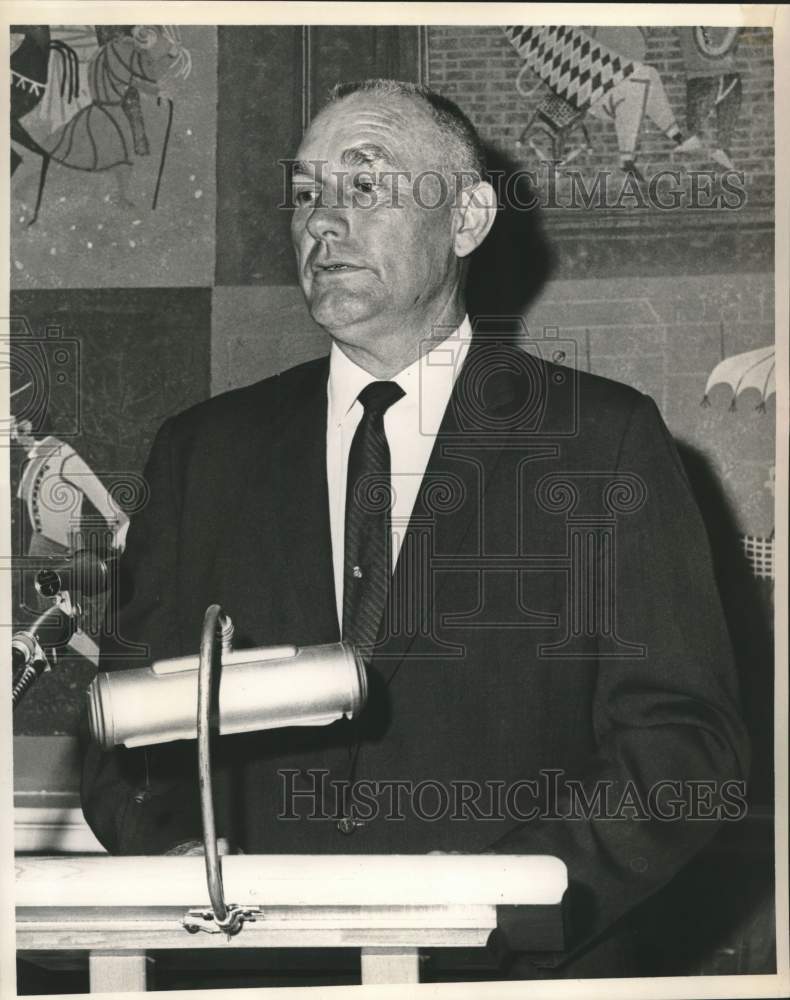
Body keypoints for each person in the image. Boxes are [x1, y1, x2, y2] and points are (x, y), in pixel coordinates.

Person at [82, 79, 749, 980]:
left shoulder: (603, 440)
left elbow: (683, 748)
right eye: (308, 194)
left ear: (468, 217)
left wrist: (499, 896)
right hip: (251, 977)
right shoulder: (203, 453)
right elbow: (120, 731)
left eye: (365, 187)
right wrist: (179, 868)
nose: (322, 223)